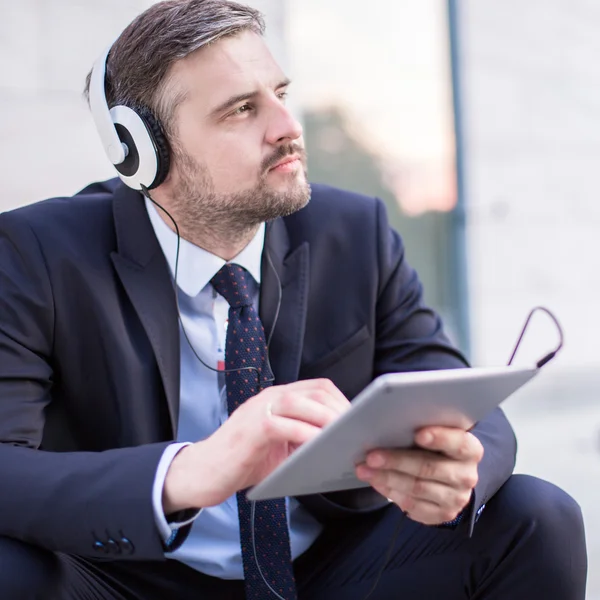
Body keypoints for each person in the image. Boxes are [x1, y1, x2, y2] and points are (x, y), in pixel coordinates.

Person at [0, 1, 587, 598]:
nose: (287, 125)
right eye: (241, 110)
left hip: (328, 568)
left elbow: (450, 384)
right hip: (129, 577)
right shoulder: (38, 254)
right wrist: (184, 474)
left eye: (279, 92)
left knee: (535, 516)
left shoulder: (354, 229)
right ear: (143, 151)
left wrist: (460, 465)